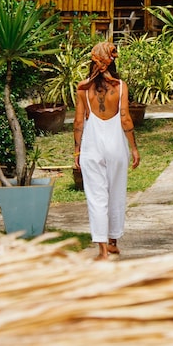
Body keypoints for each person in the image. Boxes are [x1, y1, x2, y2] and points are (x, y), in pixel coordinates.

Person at [73, 40, 140, 259]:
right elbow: (125, 118)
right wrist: (134, 148)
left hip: (92, 147)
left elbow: (78, 123)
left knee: (96, 197)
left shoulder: (83, 88)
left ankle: (102, 249)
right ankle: (113, 241)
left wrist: (77, 151)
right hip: (116, 146)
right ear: (111, 62)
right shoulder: (120, 87)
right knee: (116, 193)